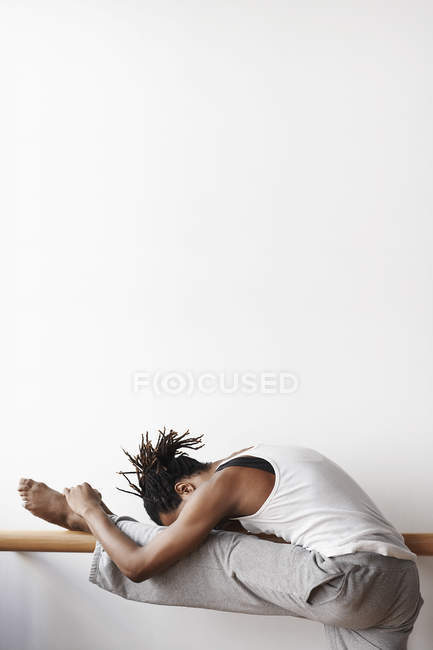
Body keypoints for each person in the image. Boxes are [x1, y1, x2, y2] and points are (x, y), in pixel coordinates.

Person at [18, 428, 424, 649]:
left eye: (182, 522)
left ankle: (92, 523)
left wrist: (90, 510)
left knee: (210, 554)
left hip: (349, 579)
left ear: (185, 490)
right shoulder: (263, 454)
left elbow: (138, 568)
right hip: (399, 586)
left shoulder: (224, 482)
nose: (195, 528)